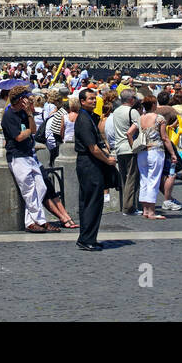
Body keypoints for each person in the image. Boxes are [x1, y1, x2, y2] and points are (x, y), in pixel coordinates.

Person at [3, 88, 58, 233]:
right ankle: (41, 221)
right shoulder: (9, 115)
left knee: (41, 187)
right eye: (27, 97)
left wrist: (29, 115)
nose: (29, 100)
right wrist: (27, 132)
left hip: (28, 154)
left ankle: (31, 221)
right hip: (17, 156)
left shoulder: (24, 113)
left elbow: (32, 130)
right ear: (21, 99)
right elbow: (19, 137)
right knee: (29, 190)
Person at [74, 85, 116, 251]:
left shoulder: (90, 116)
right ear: (82, 101)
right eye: (90, 99)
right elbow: (93, 148)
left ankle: (89, 236)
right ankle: (86, 238)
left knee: (93, 201)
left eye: (94, 98)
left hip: (91, 162)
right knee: (91, 202)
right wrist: (107, 160)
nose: (93, 101)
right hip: (88, 163)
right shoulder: (83, 119)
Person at [132, 96, 176, 220]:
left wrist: (133, 146)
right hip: (155, 151)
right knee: (154, 180)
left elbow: (129, 133)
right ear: (153, 105)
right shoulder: (159, 118)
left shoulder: (140, 118)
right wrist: (172, 153)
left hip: (142, 152)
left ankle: (145, 209)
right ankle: (151, 211)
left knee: (144, 179)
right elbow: (165, 138)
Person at [109, 89, 142, 214]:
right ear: (131, 99)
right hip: (129, 148)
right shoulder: (132, 112)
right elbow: (134, 130)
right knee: (132, 179)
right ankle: (129, 207)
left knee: (124, 178)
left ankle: (124, 205)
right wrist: (134, 145)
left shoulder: (116, 111)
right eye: (134, 97)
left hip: (119, 148)